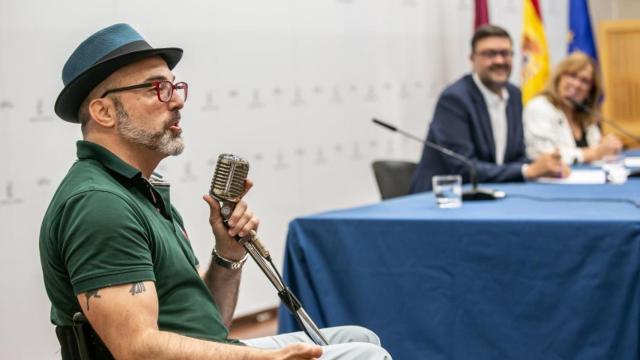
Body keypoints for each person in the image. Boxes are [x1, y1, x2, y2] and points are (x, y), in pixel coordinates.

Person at [40, 23, 391, 360]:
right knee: (366, 355)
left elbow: (207, 326)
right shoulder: (99, 204)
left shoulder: (141, 189)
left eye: (176, 88)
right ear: (103, 112)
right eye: (155, 88)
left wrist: (227, 254)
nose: (176, 101)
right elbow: (137, 349)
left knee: (358, 339)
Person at [410, 25, 569, 193]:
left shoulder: (514, 94)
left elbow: (515, 157)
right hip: (442, 200)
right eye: (490, 54)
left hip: (489, 195)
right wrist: (528, 171)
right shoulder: (454, 99)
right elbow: (464, 168)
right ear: (472, 59)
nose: (499, 60)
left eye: (505, 53)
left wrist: (546, 165)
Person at [523, 51, 622, 164]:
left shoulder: (585, 114)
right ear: (559, 78)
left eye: (584, 81)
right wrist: (594, 153)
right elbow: (545, 155)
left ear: (590, 91)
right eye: (572, 76)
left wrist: (608, 146)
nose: (576, 84)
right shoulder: (539, 107)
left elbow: (598, 151)